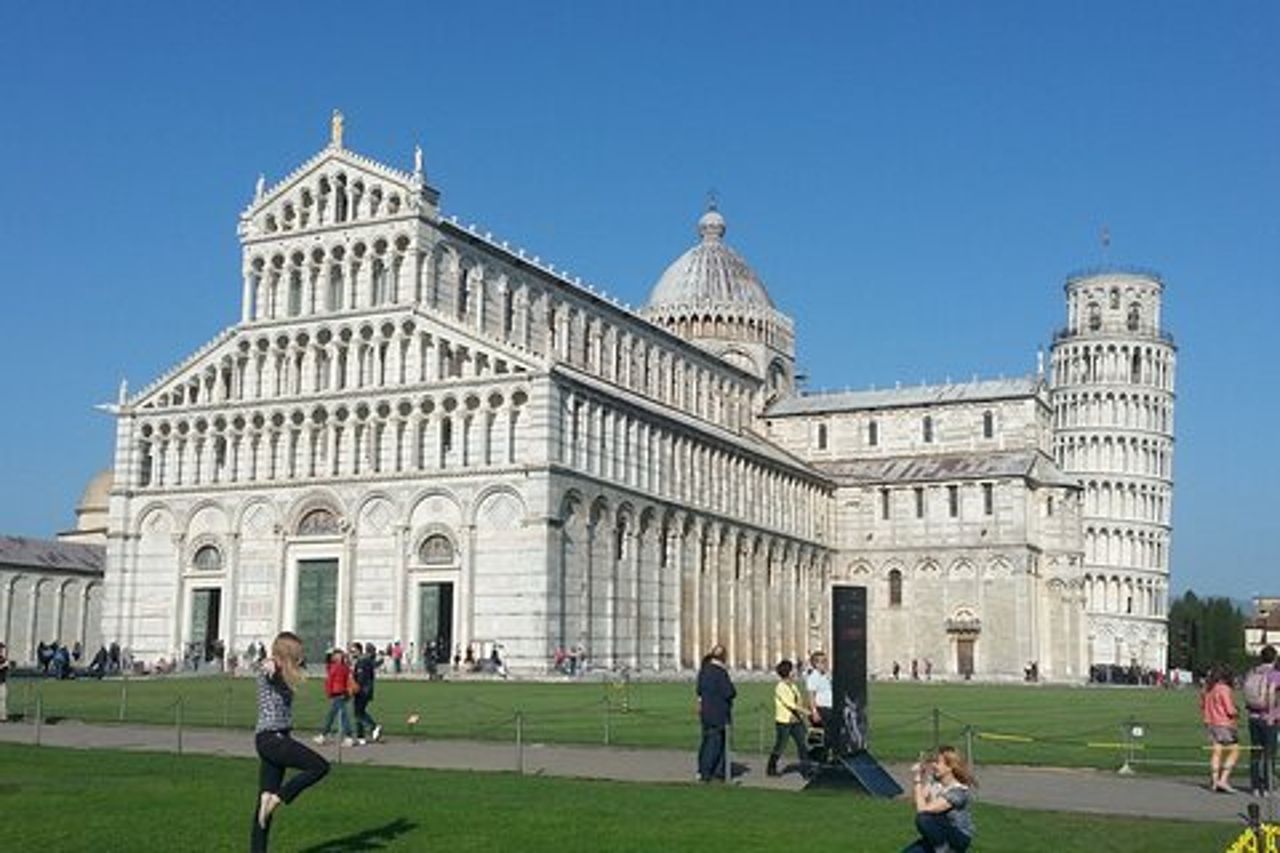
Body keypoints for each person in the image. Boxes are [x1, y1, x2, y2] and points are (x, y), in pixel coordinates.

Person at [251, 631, 330, 853]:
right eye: (297, 653)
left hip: (274, 739)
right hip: (272, 739)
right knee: (319, 767)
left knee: (263, 810)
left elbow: (295, 667)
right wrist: (268, 663)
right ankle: (279, 797)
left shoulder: (285, 672)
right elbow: (267, 670)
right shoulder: (270, 669)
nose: (300, 657)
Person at [902, 746, 976, 852]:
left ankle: (944, 850)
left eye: (937, 762)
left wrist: (918, 781)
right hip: (940, 835)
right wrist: (918, 777)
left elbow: (922, 811)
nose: (933, 765)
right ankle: (942, 848)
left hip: (959, 836)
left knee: (924, 818)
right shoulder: (934, 781)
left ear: (949, 767)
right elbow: (916, 803)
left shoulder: (958, 792)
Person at [696, 643, 736, 782]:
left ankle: (703, 770)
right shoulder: (720, 672)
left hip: (705, 711)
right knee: (716, 743)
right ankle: (710, 773)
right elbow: (729, 692)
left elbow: (699, 690)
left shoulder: (704, 670)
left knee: (706, 742)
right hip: (719, 713)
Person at [1244, 645, 1278, 797]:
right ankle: (1268, 787)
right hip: (1268, 717)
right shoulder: (1275, 674)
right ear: (1275, 658)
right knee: (1269, 753)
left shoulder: (1252, 672)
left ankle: (1255, 787)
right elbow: (1272, 694)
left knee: (1256, 753)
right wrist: (1271, 714)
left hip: (1253, 716)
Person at [767, 659, 810, 778]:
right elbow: (789, 703)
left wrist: (802, 711)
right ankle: (771, 767)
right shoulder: (780, 687)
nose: (795, 671)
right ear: (788, 672)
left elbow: (798, 700)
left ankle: (806, 770)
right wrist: (805, 711)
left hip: (796, 721)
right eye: (793, 669)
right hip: (784, 722)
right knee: (780, 746)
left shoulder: (793, 686)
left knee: (802, 745)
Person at [1201, 664, 1240, 792]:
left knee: (1216, 752)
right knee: (1235, 750)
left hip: (1210, 723)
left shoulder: (1207, 688)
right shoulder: (1223, 689)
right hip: (1224, 724)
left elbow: (1202, 706)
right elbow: (1229, 709)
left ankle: (1214, 781)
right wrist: (1236, 711)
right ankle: (1223, 780)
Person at [313, 649, 355, 747]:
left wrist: (329, 693)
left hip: (337, 693)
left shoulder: (336, 667)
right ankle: (324, 735)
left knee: (337, 716)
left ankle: (345, 737)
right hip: (342, 693)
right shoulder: (343, 667)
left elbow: (329, 681)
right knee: (337, 715)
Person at [351, 643, 382, 745]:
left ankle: (370, 729)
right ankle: (363, 735)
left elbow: (361, 678)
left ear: (359, 650)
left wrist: (355, 688)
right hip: (365, 690)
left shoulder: (362, 662)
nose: (352, 653)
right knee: (360, 713)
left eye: (353, 651)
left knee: (358, 713)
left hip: (362, 691)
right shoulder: (364, 661)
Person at [806, 650, 833, 733]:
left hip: (829, 707)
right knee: (819, 735)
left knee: (830, 734)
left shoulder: (826, 675)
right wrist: (814, 712)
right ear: (816, 664)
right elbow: (811, 696)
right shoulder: (813, 677)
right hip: (821, 708)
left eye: (825, 661)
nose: (825, 664)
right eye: (823, 662)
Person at [0, 642, 10, 722]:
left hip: (2, 682)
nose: (1, 650)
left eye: (2, 648)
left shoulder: (3, 659)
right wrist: (3, 665)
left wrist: (7, 665)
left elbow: (6, 670)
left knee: (3, 699)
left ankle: (3, 717)